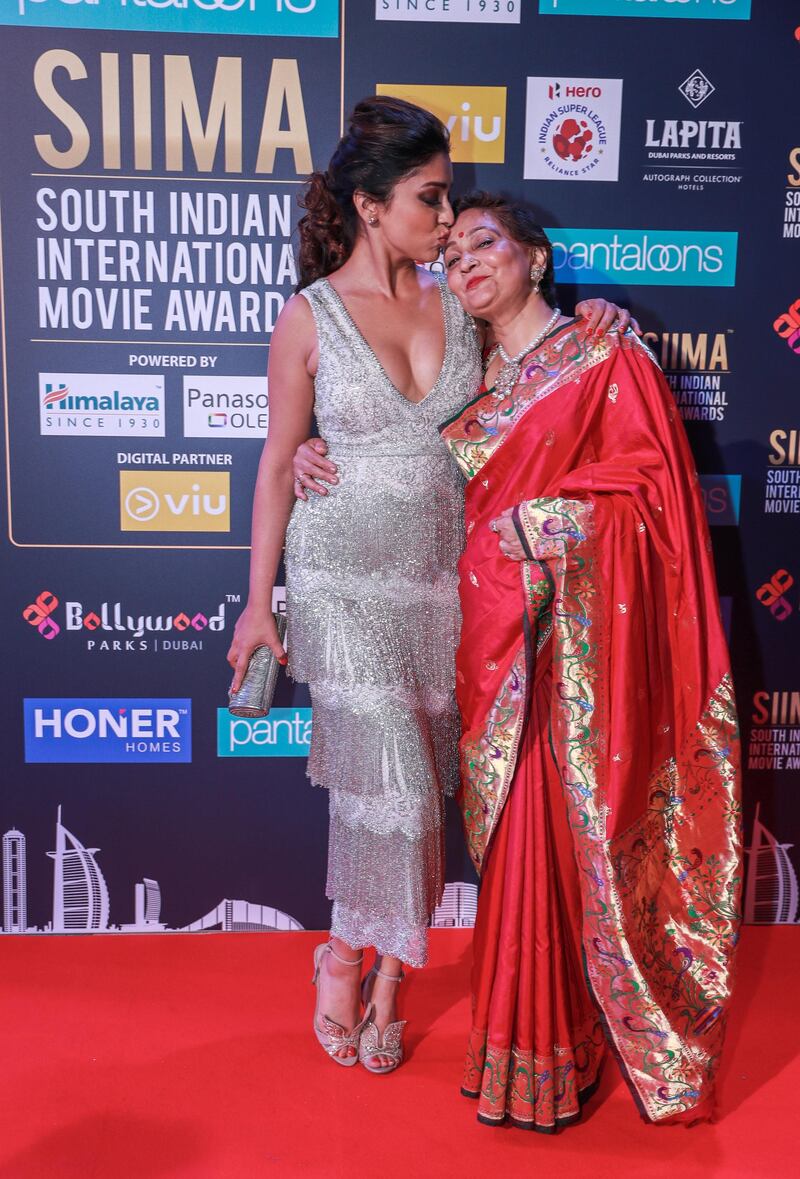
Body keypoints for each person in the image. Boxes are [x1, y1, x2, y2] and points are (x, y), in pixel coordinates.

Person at [228, 96, 632, 1075]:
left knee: (418, 787)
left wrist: (599, 334)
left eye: (450, 199)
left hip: (446, 589)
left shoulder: (461, 304)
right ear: (370, 205)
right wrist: (256, 600)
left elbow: (543, 377)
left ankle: (389, 980)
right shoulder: (308, 315)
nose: (447, 221)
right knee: (394, 788)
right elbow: (280, 460)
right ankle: (339, 959)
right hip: (339, 580)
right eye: (429, 197)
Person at [435, 194, 742, 1130]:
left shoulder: (606, 352)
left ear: (536, 257)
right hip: (502, 645)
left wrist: (547, 523)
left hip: (583, 653)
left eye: (483, 244)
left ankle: (568, 1053)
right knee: (523, 845)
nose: (465, 264)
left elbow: (653, 496)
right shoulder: (477, 376)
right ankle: (532, 1045)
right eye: (449, 255)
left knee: (571, 842)